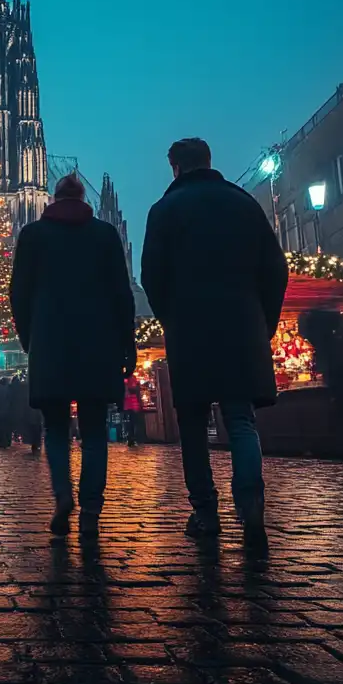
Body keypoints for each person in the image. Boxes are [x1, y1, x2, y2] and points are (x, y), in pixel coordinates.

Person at [141, 138, 287, 553]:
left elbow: (152, 275)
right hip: (242, 327)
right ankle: (251, 504)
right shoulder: (244, 204)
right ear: (209, 161)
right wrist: (263, 322)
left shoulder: (164, 210)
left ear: (175, 168)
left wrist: (171, 317)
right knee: (240, 419)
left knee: (192, 426)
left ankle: (206, 513)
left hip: (190, 329)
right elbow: (275, 269)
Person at [11, 173, 136, 536]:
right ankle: (91, 511)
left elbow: (18, 295)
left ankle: (63, 494)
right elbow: (122, 295)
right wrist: (126, 344)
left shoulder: (32, 236)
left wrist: (29, 340)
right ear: (84, 199)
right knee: (95, 431)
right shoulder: (104, 234)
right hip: (98, 345)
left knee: (56, 429)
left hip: (50, 344)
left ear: (52, 199)